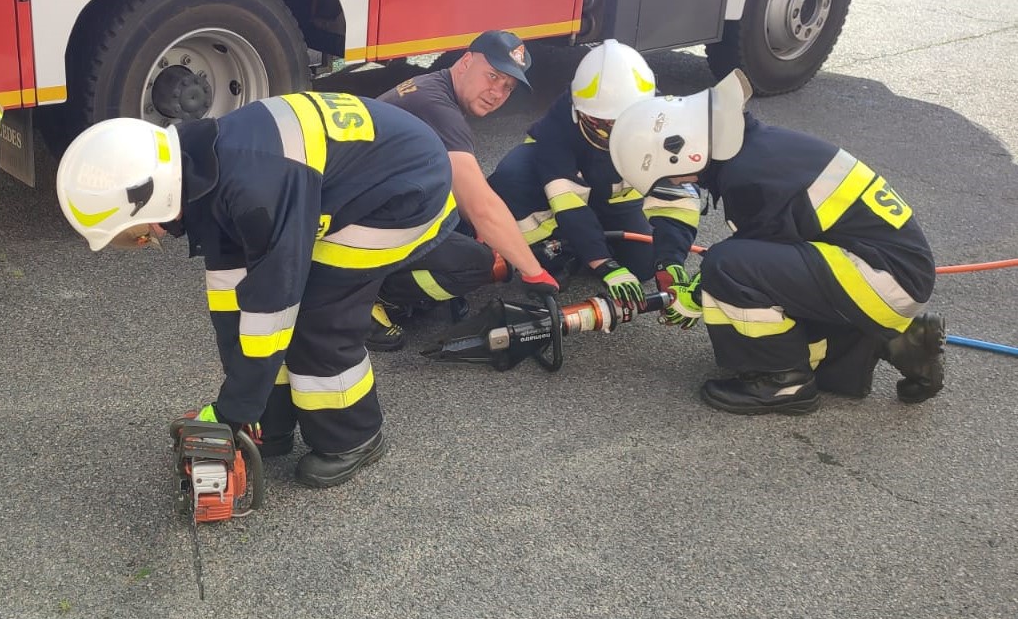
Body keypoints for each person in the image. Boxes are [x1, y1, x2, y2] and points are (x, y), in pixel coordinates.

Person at [56, 92, 457, 489]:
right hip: (357, 174)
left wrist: (231, 411)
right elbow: (231, 295)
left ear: (153, 197)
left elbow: (273, 305)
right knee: (268, 323)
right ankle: (272, 424)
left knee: (318, 319)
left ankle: (354, 438)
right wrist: (245, 409)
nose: (156, 238)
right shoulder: (204, 172)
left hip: (405, 189)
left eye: (146, 234)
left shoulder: (255, 190)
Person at [609, 71, 945, 414]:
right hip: (890, 270)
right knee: (751, 288)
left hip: (881, 277)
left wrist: (693, 296)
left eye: (671, 178)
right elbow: (777, 256)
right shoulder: (758, 147)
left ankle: (785, 383)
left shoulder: (747, 178)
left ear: (685, 153)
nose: (679, 184)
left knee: (725, 268)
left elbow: (747, 268)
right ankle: (903, 341)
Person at [369, 31, 559, 350]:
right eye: (493, 76)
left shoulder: (431, 88)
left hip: (366, 202)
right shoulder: (437, 108)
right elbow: (481, 205)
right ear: (466, 61)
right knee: (475, 263)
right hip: (356, 224)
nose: (497, 93)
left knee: (464, 227)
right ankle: (368, 298)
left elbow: (457, 185)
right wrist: (534, 271)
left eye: (508, 87)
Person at [487, 39, 701, 321]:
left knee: (644, 265)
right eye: (600, 123)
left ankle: (583, 243)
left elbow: (678, 199)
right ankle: (562, 249)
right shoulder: (561, 118)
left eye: (618, 123)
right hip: (560, 188)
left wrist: (671, 261)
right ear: (579, 109)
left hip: (614, 199)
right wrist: (603, 263)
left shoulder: (667, 124)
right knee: (513, 176)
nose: (609, 132)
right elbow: (567, 200)